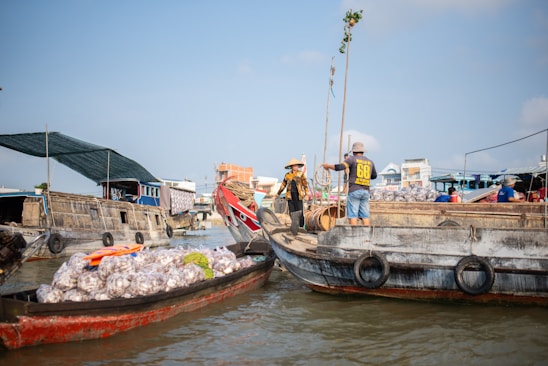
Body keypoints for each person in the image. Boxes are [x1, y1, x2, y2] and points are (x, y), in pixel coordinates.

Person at [322, 142, 377, 226]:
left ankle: (353, 235)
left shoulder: (352, 159)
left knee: (353, 215)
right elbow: (374, 176)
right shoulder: (370, 162)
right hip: (366, 191)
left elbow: (340, 167)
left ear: (353, 152)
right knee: (365, 215)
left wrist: (328, 166)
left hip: (354, 190)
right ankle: (367, 235)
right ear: (363, 152)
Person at [276, 157, 309, 231]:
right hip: (290, 196)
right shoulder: (287, 175)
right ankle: (295, 227)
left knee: (300, 211)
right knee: (292, 211)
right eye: (294, 166)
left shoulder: (301, 174)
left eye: (296, 165)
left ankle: (301, 227)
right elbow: (283, 185)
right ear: (291, 167)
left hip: (298, 195)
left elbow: (305, 184)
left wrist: (306, 194)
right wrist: (278, 194)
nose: (295, 167)